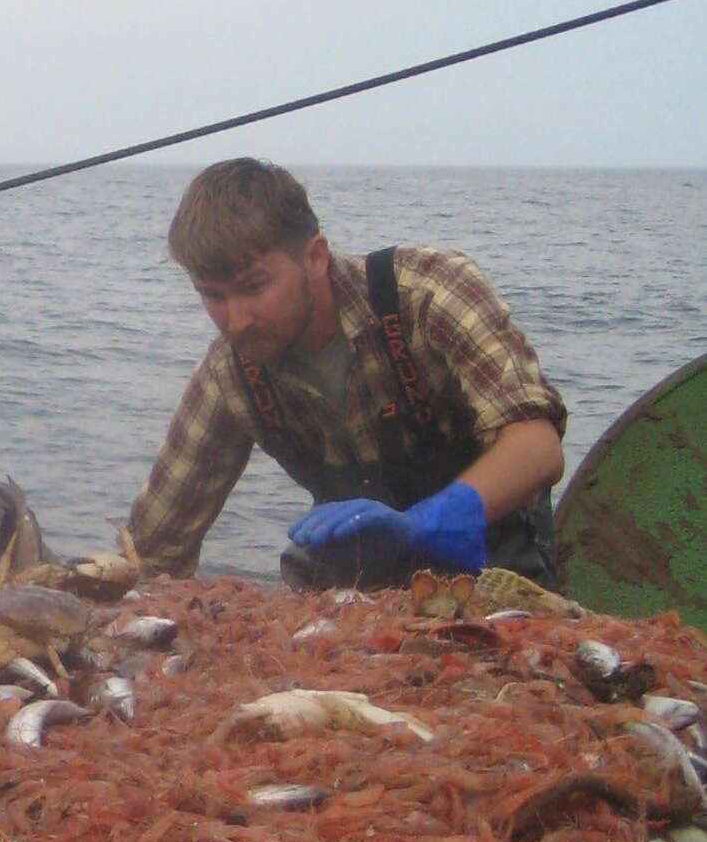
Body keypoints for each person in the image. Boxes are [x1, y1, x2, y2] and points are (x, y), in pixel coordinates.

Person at [127, 158, 566, 589]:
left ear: (314, 257)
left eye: (253, 287)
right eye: (213, 296)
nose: (236, 320)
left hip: (497, 573)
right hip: (355, 599)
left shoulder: (428, 292)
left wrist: (428, 522)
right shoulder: (229, 375)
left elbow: (536, 446)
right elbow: (152, 550)